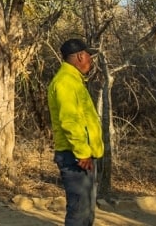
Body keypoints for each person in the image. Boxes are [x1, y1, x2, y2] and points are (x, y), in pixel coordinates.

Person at [48, 37, 104, 226]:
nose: (91, 60)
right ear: (80, 56)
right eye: (89, 56)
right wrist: (82, 152)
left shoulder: (74, 80)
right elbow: (69, 121)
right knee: (79, 212)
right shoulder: (65, 82)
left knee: (86, 210)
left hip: (82, 155)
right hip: (76, 157)